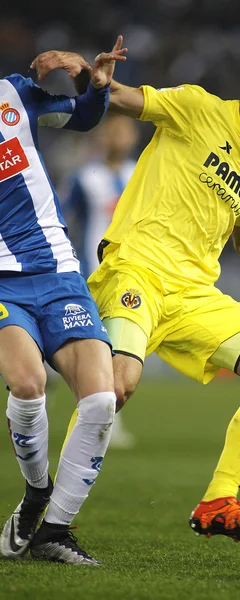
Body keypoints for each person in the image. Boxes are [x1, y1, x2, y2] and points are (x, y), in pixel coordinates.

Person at [35, 39, 240, 542]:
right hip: (135, 271)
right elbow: (119, 97)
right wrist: (88, 79)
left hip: (193, 295)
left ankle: (218, 501)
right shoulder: (196, 107)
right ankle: (51, 519)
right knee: (115, 387)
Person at [0, 37, 127, 565]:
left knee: (101, 401)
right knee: (29, 384)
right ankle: (36, 491)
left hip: (59, 270)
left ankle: (53, 532)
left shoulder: (14, 94)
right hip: (2, 281)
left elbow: (83, 117)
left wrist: (89, 82)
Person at [63, 113, 139, 448]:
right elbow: (63, 218)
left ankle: (108, 421)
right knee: (92, 347)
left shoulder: (141, 173)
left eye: (125, 131)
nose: (119, 137)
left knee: (116, 349)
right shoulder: (85, 177)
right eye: (113, 131)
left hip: (131, 275)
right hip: (90, 275)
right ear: (102, 136)